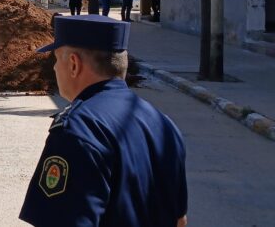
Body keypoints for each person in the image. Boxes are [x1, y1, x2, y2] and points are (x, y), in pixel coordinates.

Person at [19, 15, 188, 227]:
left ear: (73, 64)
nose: (54, 68)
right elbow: (180, 220)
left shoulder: (78, 130)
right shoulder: (163, 124)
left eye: (56, 58)